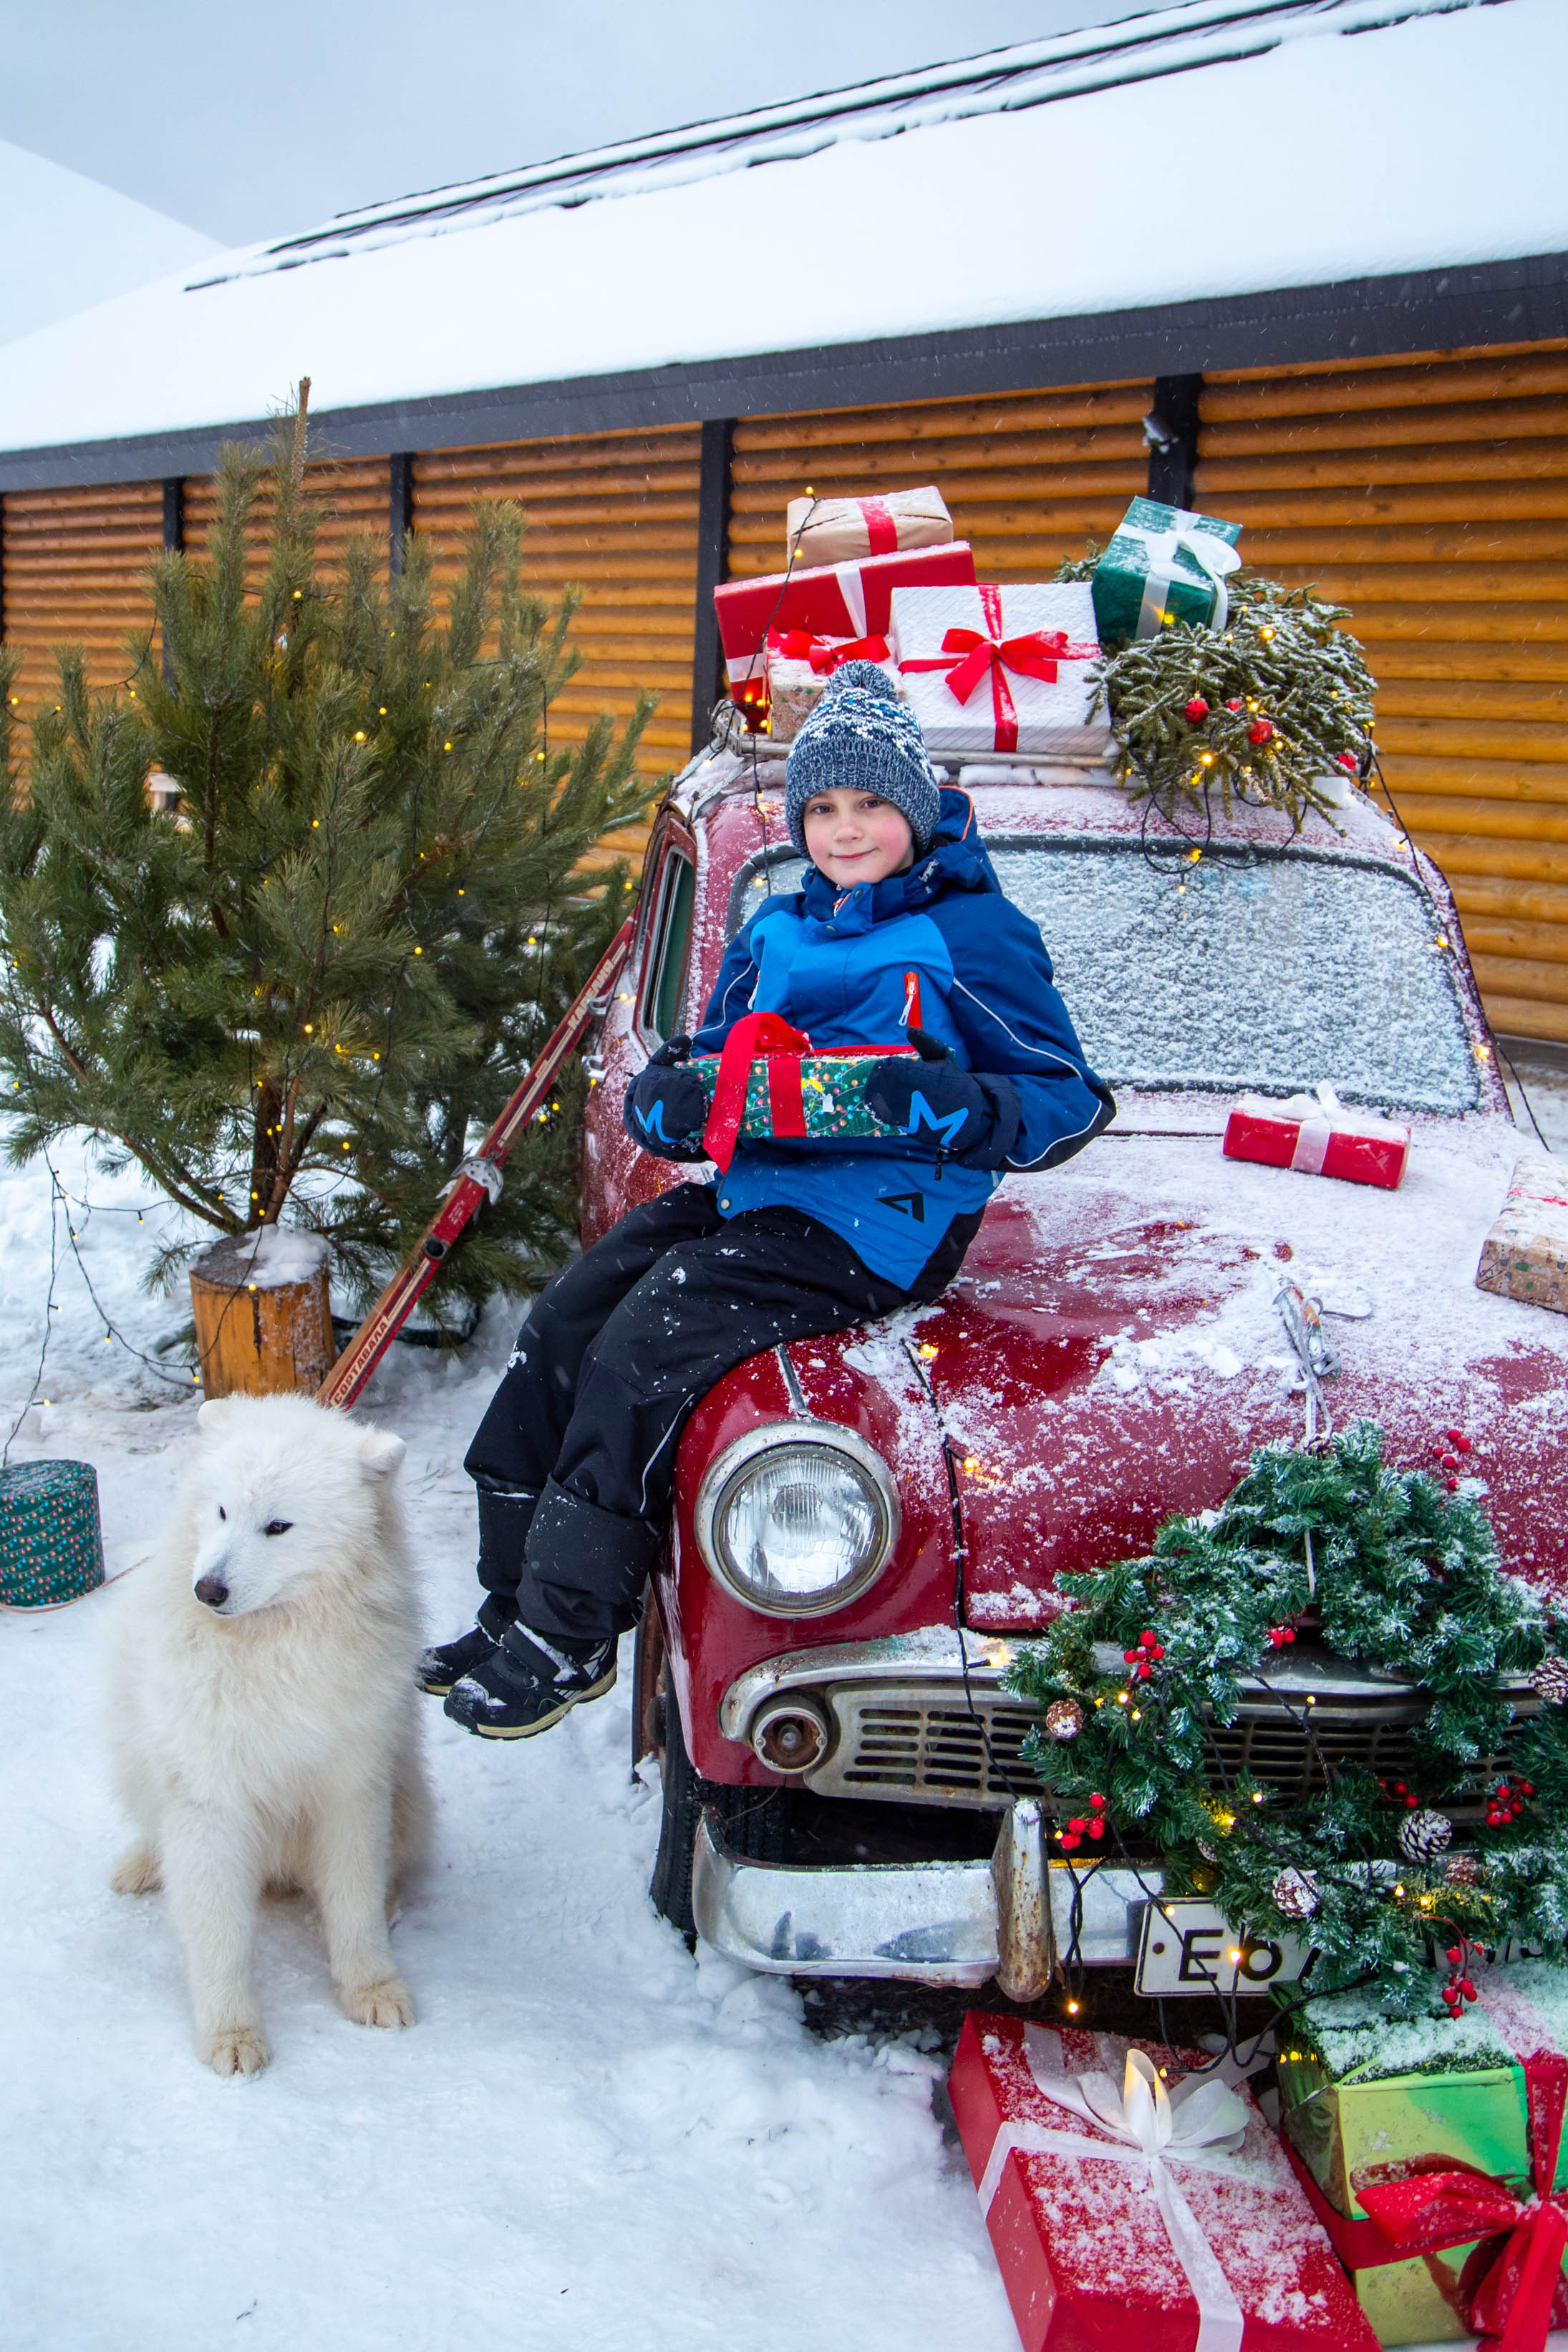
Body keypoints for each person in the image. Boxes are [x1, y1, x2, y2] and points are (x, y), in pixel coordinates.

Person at [420, 664, 1113, 1738]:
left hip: (882, 1227)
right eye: (822, 807)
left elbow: (1068, 1098)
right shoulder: (779, 929)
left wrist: (959, 1107)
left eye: (870, 802)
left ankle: (570, 1633)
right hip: (758, 1193)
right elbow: (707, 1059)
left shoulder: (974, 936)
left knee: (643, 1348)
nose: (845, 829)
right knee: (563, 1320)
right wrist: (668, 1100)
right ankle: (513, 1606)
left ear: (917, 808)